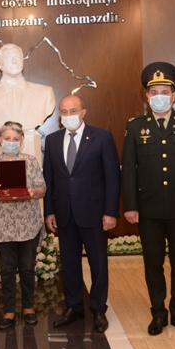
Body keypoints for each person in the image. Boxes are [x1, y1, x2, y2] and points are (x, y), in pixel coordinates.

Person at [121, 61, 175, 337]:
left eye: (164, 92)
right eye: (154, 92)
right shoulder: (135, 127)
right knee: (153, 263)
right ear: (146, 96)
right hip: (148, 209)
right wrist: (131, 206)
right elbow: (128, 170)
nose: (159, 96)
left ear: (174, 95)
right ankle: (158, 313)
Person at [43, 95, 121, 333]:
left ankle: (98, 309)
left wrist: (110, 212)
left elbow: (112, 177)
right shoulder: (53, 140)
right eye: (64, 112)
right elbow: (49, 178)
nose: (68, 116)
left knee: (98, 264)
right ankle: (74, 307)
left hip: (94, 213)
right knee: (69, 264)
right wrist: (49, 211)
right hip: (64, 213)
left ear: (83, 112)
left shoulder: (102, 137)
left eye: (73, 111)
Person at [0, 121, 46, 330]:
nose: (11, 142)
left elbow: (42, 189)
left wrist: (33, 192)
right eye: (7, 138)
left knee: (27, 268)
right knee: (7, 269)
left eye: (15, 139)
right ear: (0, 140)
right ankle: (9, 310)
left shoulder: (30, 162)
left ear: (22, 141)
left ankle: (28, 307)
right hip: (3, 226)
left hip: (28, 224)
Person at [0, 43, 55, 131]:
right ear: (0, 65)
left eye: (18, 57)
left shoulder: (45, 93)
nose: (14, 61)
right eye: (8, 57)